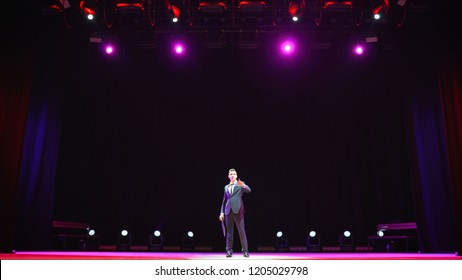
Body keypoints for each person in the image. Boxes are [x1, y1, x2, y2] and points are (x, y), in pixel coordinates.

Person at [219, 168, 251, 257]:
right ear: (229, 176)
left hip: (238, 209)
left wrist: (243, 185)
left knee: (241, 231)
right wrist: (221, 212)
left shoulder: (240, 184)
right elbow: (224, 200)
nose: (232, 175)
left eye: (234, 174)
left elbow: (249, 190)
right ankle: (229, 250)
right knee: (229, 232)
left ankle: (245, 251)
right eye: (231, 174)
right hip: (228, 210)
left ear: (236, 176)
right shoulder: (226, 187)